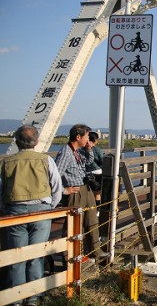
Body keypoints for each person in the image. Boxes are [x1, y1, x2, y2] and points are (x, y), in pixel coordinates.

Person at [0, 125, 63, 305]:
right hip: (41, 211)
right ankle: (34, 296)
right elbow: (57, 187)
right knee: (36, 254)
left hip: (15, 212)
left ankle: (16, 298)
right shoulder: (46, 160)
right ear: (36, 141)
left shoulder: (6, 162)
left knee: (16, 255)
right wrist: (50, 205)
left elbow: (0, 190)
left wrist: (6, 207)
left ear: (16, 141)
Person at [55, 124, 109, 260]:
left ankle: (95, 251)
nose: (88, 139)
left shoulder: (77, 151)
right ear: (78, 137)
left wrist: (89, 149)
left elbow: (88, 162)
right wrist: (63, 190)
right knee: (74, 225)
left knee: (91, 220)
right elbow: (55, 175)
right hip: (75, 191)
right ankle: (70, 255)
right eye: (86, 137)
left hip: (86, 188)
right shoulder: (65, 153)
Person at [81, 131, 103, 212]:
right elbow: (102, 161)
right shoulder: (97, 149)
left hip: (85, 174)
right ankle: (97, 210)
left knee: (86, 193)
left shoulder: (81, 149)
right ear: (95, 140)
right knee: (97, 193)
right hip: (97, 173)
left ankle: (87, 210)